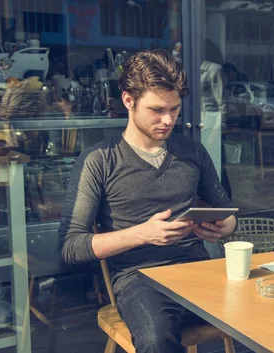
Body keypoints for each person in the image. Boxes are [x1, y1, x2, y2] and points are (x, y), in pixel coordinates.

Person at [58, 49, 237, 353]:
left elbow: (231, 216)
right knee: (156, 339)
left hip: (199, 271)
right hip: (140, 280)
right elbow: (70, 247)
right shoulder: (99, 160)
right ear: (129, 100)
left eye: (175, 109)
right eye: (157, 110)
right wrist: (142, 233)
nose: (168, 120)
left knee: (264, 312)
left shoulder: (191, 151)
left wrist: (221, 227)